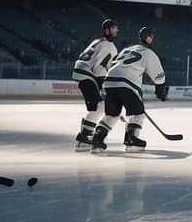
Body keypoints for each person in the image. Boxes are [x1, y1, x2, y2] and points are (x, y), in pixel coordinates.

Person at [91, 26, 168, 154]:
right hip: (126, 83)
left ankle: (97, 140)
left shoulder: (127, 50)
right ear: (149, 38)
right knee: (138, 113)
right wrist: (160, 91)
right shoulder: (149, 53)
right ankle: (132, 140)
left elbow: (113, 65)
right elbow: (159, 76)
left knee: (112, 115)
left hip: (109, 81)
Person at [72, 19, 119, 151]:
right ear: (107, 30)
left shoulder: (98, 41)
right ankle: (84, 137)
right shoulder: (109, 46)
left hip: (81, 72)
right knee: (100, 106)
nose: (116, 30)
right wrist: (104, 86)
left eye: (116, 28)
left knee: (98, 106)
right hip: (88, 75)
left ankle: (84, 137)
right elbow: (99, 68)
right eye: (114, 28)